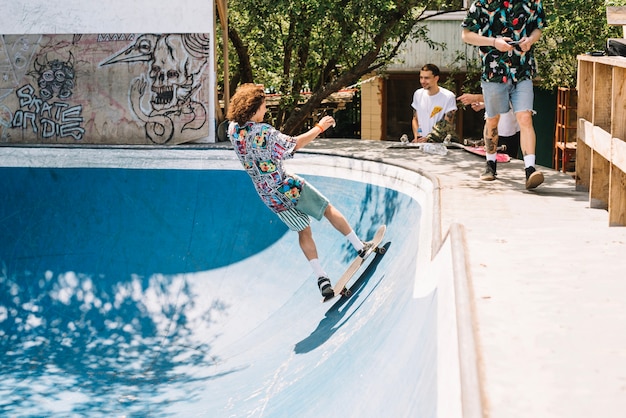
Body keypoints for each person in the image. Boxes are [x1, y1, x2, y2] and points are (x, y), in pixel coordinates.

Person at [226, 83, 373, 298]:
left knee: (303, 231)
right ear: (255, 108)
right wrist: (320, 127)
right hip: (287, 187)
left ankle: (321, 277)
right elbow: (293, 145)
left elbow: (239, 116)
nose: (265, 111)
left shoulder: (233, 131)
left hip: (268, 196)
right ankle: (360, 247)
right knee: (326, 209)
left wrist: (252, 91)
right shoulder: (263, 132)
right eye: (264, 106)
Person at [461, 0, 546, 189]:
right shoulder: (481, 4)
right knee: (493, 119)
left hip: (522, 71)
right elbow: (466, 35)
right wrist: (493, 42)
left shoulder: (532, 2)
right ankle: (490, 164)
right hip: (493, 74)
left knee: (525, 118)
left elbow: (538, 27)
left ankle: (530, 169)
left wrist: (531, 40)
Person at [457, 92, 520, 159]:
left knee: (506, 161)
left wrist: (475, 98)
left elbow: (501, 97)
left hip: (506, 130)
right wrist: (483, 104)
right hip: (492, 127)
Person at [410, 63, 458, 143]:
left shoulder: (448, 96)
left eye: (427, 78)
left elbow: (447, 124)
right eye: (421, 77)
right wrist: (418, 135)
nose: (423, 81)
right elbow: (415, 119)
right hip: (420, 145)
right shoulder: (418, 94)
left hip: (439, 145)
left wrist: (429, 139)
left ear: (436, 78)